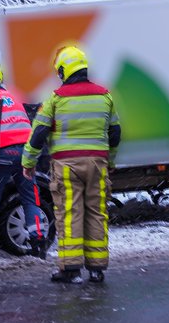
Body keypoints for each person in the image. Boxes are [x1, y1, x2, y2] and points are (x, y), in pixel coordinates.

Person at [22, 45, 121, 284]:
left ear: (65, 70)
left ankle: (70, 268)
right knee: (97, 213)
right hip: (97, 163)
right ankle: (97, 269)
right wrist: (110, 160)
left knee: (69, 213)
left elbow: (39, 133)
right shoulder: (105, 96)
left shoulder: (57, 99)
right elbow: (115, 133)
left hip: (66, 165)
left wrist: (28, 162)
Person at [0, 60, 45, 260]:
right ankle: (38, 242)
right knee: (30, 198)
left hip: (3, 153)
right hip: (26, 152)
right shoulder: (12, 94)